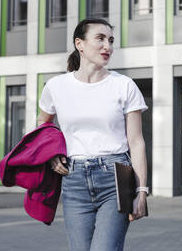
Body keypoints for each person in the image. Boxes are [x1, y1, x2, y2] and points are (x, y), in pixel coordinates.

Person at [37, 18, 149, 251]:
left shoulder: (124, 85)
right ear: (80, 43)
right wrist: (51, 154)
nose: (107, 46)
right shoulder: (56, 86)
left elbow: (136, 142)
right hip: (73, 179)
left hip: (115, 178)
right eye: (100, 38)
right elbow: (42, 125)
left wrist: (141, 191)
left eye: (110, 40)